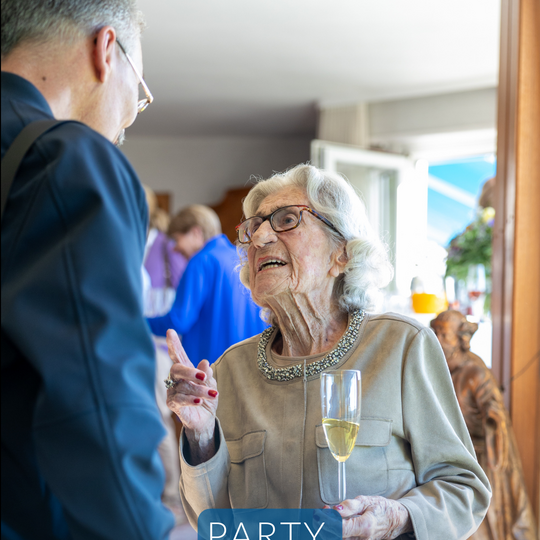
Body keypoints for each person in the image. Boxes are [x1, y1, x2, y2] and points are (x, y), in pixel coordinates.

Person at [164, 164, 491, 539]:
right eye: (253, 228)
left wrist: (397, 517)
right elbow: (210, 521)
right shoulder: (230, 370)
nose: (259, 238)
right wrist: (201, 435)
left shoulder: (401, 346)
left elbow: (463, 489)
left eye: (287, 220)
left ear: (342, 254)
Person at [1, 1, 173, 539]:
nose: (128, 120)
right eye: (139, 93)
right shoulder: (67, 161)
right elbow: (99, 405)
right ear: (106, 51)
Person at [430, 310, 538, 540]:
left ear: (460, 339)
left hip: (478, 460)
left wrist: (492, 418)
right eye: (435, 332)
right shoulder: (439, 368)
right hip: (449, 456)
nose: (437, 339)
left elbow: (494, 410)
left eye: (444, 335)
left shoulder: (474, 372)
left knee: (477, 525)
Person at [147, 205, 268, 366]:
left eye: (177, 239)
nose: (175, 248)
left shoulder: (201, 260)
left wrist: (140, 322)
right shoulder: (242, 257)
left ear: (196, 232)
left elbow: (178, 321)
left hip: (212, 367)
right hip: (250, 363)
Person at [142, 185, 188, 524]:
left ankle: (172, 495)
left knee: (160, 418)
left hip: (158, 347)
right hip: (140, 345)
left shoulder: (165, 246)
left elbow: (182, 302)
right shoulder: (134, 242)